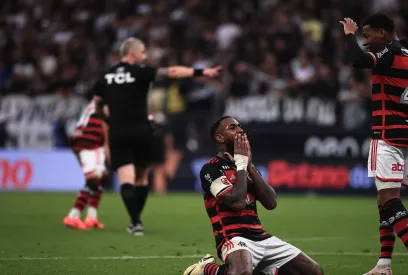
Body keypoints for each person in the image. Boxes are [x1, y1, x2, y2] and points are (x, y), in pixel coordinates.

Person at [92, 37, 221, 236]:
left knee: (126, 179)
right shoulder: (141, 72)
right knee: (142, 178)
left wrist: (107, 122)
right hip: (141, 130)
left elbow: (97, 105)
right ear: (132, 53)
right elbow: (173, 72)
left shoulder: (106, 76)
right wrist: (201, 72)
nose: (144, 56)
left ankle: (135, 221)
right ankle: (136, 219)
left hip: (118, 131)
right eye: (142, 52)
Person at [340, 14, 408, 275]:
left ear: (383, 33)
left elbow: (358, 61)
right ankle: (384, 264)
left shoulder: (388, 52)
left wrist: (350, 34)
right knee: (385, 201)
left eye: (367, 35)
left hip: (388, 133)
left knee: (389, 200)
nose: (365, 41)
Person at [183, 116, 323, 275]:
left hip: (261, 237)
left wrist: (249, 166)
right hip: (233, 239)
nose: (240, 130)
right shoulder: (211, 169)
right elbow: (237, 203)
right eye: (232, 128)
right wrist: (241, 165)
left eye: (240, 126)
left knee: (315, 272)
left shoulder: (247, 168)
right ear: (220, 138)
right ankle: (207, 269)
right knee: (242, 273)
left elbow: (271, 203)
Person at [63, 99, 109, 230]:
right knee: (93, 180)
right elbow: (106, 124)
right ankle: (73, 216)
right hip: (89, 142)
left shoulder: (95, 103)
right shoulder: (107, 101)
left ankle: (92, 217)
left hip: (86, 141)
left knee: (103, 176)